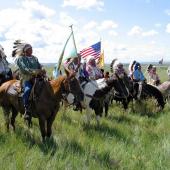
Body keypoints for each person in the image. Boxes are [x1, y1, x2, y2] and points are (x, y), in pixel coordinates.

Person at [15, 43, 44, 120]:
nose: (31, 50)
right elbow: (25, 69)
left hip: (37, 78)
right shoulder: (21, 59)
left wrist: (42, 68)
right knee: (27, 90)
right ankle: (26, 109)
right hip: (26, 79)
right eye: (29, 49)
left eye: (32, 49)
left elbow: (39, 65)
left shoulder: (34, 58)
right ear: (25, 50)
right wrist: (36, 71)